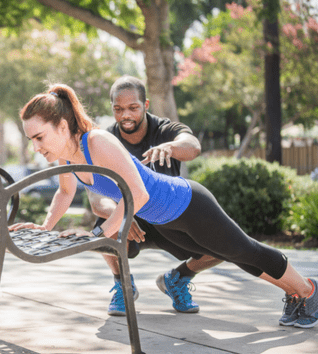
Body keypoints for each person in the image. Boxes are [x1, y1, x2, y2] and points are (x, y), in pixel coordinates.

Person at [9, 83, 318, 329]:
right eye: (31, 140)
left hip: (188, 204)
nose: (34, 147)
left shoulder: (97, 142)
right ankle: (294, 292)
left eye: (38, 137)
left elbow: (138, 193)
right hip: (164, 220)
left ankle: (308, 290)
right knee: (234, 254)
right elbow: (65, 193)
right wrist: (45, 227)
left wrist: (103, 233)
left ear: (63, 127)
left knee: (245, 250)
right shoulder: (67, 156)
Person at [89, 75, 223, 316]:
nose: (125, 115)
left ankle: (178, 279)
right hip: (131, 220)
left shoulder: (164, 129)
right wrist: (121, 217)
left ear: (146, 105)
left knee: (223, 245)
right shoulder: (103, 141)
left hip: (170, 219)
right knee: (101, 232)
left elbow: (193, 146)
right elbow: (96, 200)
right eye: (118, 109)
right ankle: (124, 285)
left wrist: (170, 147)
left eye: (133, 108)